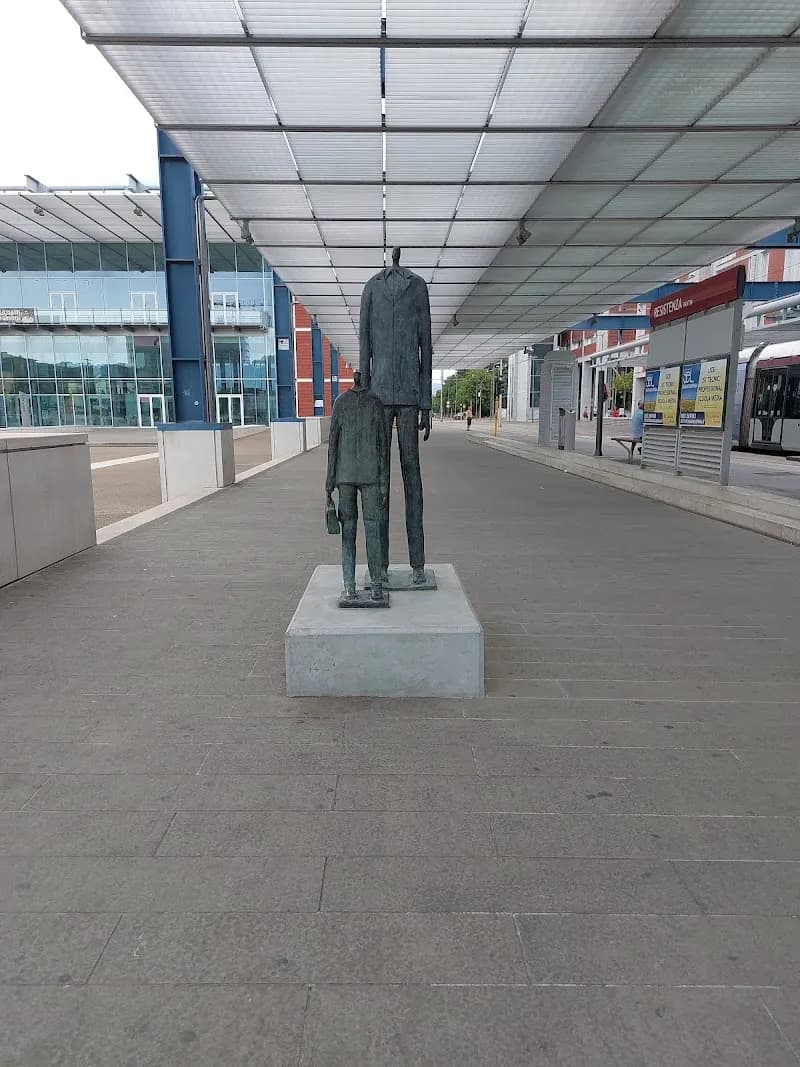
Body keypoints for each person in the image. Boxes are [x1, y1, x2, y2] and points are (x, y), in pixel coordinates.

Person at [359, 247, 432, 586]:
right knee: (380, 484)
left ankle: (417, 562)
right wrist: (362, 393)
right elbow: (364, 343)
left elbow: (426, 345)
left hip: (409, 397)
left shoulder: (417, 287)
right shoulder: (371, 288)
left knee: (412, 480)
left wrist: (427, 402)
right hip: (377, 395)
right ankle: (381, 566)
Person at [325, 370, 389, 604]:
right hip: (371, 475)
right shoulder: (375, 402)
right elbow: (383, 447)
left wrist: (329, 482)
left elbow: (333, 445)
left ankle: (350, 587)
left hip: (345, 476)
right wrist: (384, 482)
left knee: (348, 534)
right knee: (372, 530)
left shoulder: (341, 402)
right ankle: (376, 587)